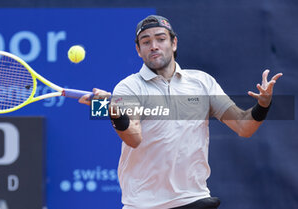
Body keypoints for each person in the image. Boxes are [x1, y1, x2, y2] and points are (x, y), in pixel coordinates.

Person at [79, 15, 282, 209]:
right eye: (146, 41)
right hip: (143, 204)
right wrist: (114, 112)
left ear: (174, 43)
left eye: (160, 39)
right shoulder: (129, 87)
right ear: (138, 50)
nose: (154, 46)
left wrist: (263, 105)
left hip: (194, 198)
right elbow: (133, 138)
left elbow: (243, 126)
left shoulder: (202, 82)